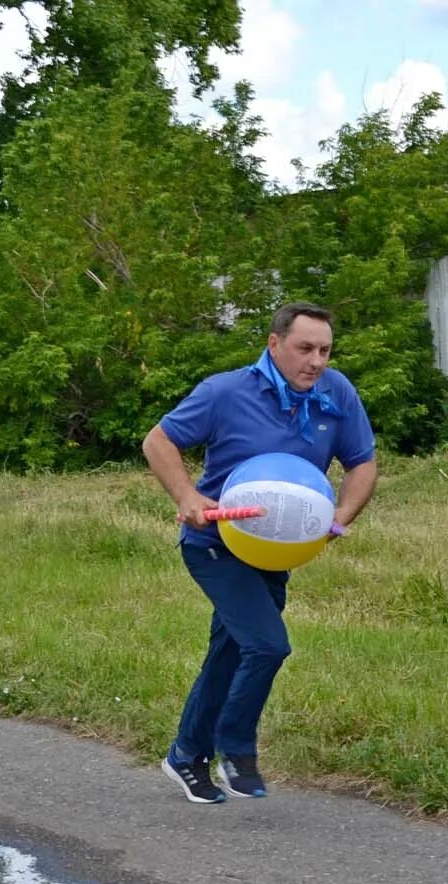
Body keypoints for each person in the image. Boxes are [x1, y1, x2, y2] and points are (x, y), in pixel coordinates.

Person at [143, 302, 376, 804]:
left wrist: (339, 517)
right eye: (305, 348)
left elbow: (362, 464)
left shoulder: (337, 392)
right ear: (274, 345)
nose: (316, 361)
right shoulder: (226, 392)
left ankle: (185, 756)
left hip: (277, 552)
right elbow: (158, 440)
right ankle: (236, 751)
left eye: (325, 350)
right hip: (216, 545)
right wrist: (187, 497)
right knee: (268, 645)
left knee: (229, 654)